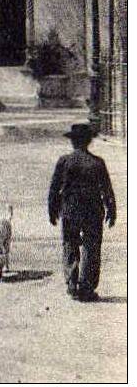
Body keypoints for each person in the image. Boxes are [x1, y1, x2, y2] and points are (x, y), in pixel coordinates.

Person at [48, 121, 116, 301]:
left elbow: (54, 188)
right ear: (88, 142)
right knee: (92, 246)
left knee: (70, 243)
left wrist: (52, 209)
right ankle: (86, 287)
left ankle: (72, 283)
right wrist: (111, 209)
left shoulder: (64, 161)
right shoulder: (97, 162)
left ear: (73, 142)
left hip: (70, 209)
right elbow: (107, 189)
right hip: (93, 209)